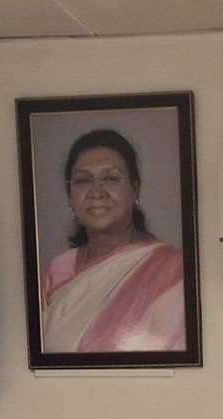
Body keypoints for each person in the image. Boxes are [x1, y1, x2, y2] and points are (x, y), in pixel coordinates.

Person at [39, 129, 186, 355]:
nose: (96, 192)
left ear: (135, 189)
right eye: (83, 180)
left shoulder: (174, 269)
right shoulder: (55, 272)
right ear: (70, 196)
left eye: (111, 178)